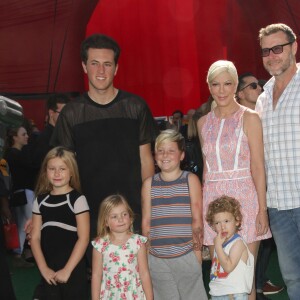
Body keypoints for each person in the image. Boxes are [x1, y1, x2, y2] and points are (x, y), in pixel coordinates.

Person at [51, 34, 157, 240]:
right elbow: (62, 168)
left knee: (135, 270)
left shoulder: (136, 107)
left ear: (116, 68)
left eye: (107, 64)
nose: (101, 71)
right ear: (84, 66)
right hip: (88, 212)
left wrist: (149, 205)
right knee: (95, 272)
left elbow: (146, 160)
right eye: (94, 63)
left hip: (131, 209)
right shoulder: (71, 113)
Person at [197, 60, 272, 300]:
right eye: (215, 84)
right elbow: (206, 171)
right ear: (208, 87)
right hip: (212, 204)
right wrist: (200, 214)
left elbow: (258, 167)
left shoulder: (250, 118)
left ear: (235, 86)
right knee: (220, 277)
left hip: (245, 202)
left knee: (244, 281)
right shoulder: (202, 123)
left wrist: (262, 209)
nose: (221, 90)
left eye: (227, 84)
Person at [256, 23, 300, 300]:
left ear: (294, 48)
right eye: (265, 51)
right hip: (279, 207)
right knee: (293, 277)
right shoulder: (261, 98)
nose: (271, 55)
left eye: (277, 48)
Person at [142, 129, 208, 300]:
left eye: (171, 150)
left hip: (186, 255)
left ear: (182, 155)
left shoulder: (190, 180)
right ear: (155, 155)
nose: (165, 155)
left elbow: (197, 219)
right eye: (160, 150)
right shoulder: (149, 184)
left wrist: (197, 253)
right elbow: (146, 222)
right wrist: (147, 255)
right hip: (157, 258)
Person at [237, 73, 283, 299]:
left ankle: (258, 283)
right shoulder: (239, 119)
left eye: (261, 85)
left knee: (266, 240)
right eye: (253, 86)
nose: (259, 89)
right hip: (247, 187)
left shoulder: (265, 113)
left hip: (271, 184)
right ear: (241, 93)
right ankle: (254, 285)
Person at [30, 147, 90, 299]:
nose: (57, 173)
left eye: (62, 169)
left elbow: (83, 238)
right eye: (52, 169)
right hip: (49, 270)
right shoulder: (40, 201)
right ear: (45, 172)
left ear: (71, 172)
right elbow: (35, 238)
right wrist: (43, 268)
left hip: (73, 270)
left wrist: (67, 270)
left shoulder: (77, 200)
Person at [91, 194, 153, 300]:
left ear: (130, 217)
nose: (121, 219)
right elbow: (96, 275)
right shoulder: (100, 245)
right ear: (106, 222)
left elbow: (144, 273)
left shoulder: (138, 242)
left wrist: (150, 298)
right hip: (110, 295)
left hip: (134, 295)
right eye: (114, 216)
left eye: (124, 214)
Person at [206, 195, 254, 299]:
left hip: (233, 294)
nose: (222, 227)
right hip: (217, 293)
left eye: (226, 221)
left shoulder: (238, 243)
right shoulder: (219, 243)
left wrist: (217, 246)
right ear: (213, 226)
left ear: (237, 221)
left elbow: (228, 267)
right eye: (217, 223)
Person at [4, 126, 35, 268]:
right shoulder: (17, 155)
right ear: (14, 137)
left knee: (22, 224)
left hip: (16, 193)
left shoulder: (9, 155)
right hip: (24, 192)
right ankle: (29, 252)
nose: (26, 136)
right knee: (30, 223)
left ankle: (18, 253)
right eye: (23, 134)